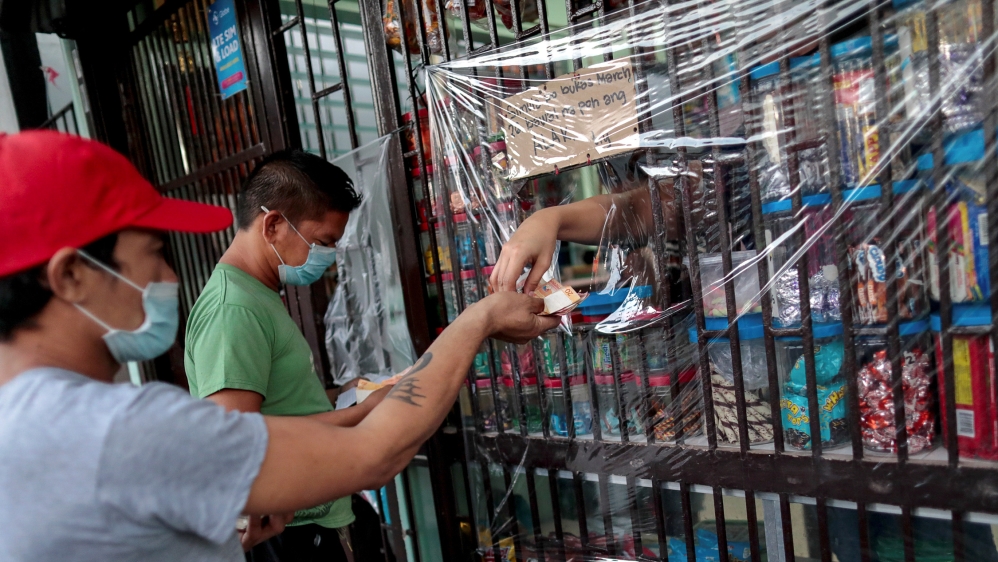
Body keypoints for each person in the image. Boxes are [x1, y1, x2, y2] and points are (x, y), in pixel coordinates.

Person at [0, 130, 561, 561]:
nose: (166, 277)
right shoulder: (116, 430)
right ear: (71, 274)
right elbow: (375, 455)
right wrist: (480, 319)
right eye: (151, 252)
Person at [183, 149, 375, 560]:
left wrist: (337, 396)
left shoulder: (257, 295)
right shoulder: (233, 309)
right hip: (283, 533)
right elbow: (238, 441)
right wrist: (367, 412)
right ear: (273, 224)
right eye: (323, 242)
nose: (328, 257)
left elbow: (277, 409)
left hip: (305, 520)